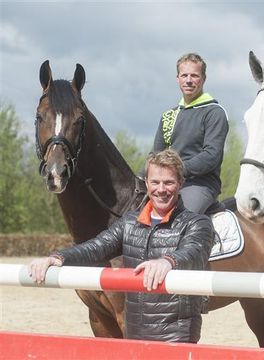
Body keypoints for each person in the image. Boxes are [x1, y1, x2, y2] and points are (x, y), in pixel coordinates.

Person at [29, 149, 214, 342]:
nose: (161, 189)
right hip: (133, 335)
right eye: (155, 182)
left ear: (180, 184)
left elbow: (194, 252)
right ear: (146, 183)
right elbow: (97, 246)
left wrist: (168, 261)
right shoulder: (130, 222)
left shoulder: (197, 223)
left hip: (175, 336)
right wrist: (57, 257)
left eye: (168, 182)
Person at [149, 52, 229, 214]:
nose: (189, 80)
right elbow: (156, 154)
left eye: (194, 75)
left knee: (180, 218)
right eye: (184, 75)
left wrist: (175, 171)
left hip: (200, 184)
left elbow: (211, 156)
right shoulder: (168, 115)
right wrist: (141, 176)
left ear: (203, 79)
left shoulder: (214, 112)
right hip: (166, 181)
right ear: (177, 78)